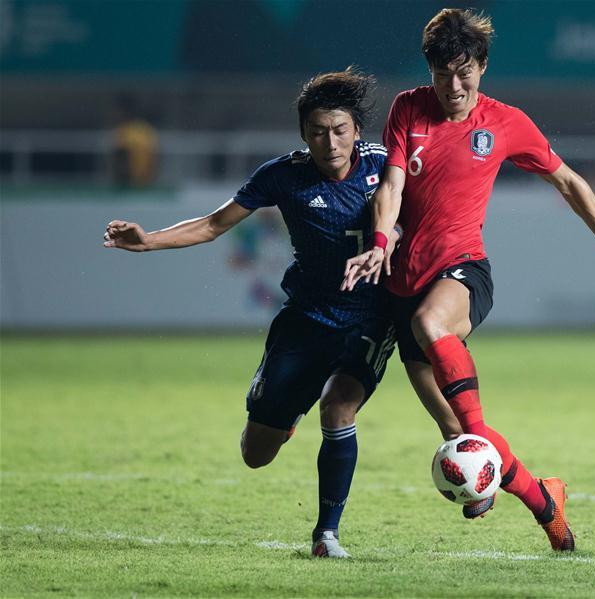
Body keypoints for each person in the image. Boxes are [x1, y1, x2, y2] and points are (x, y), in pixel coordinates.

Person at [343, 8, 595, 552]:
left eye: (465, 73)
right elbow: (390, 187)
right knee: (458, 438)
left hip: (463, 272)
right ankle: (547, 504)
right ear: (430, 71)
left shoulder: (506, 122)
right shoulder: (409, 108)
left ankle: (483, 440)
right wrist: (382, 244)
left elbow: (569, 182)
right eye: (442, 74)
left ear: (482, 66)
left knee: (435, 327)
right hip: (402, 285)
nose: (454, 86)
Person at [103, 69, 405, 559]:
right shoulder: (282, 175)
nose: (330, 142)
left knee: (338, 407)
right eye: (318, 131)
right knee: (255, 454)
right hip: (306, 319)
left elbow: (409, 219)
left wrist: (388, 240)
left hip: (370, 316)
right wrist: (149, 240)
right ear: (304, 134)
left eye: (340, 130)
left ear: (356, 130)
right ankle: (282, 416)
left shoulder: (385, 166)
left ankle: (326, 535)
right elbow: (212, 225)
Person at [111, 95, 159, 188]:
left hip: (130, 183)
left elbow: (120, 159)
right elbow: (155, 159)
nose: (115, 114)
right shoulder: (146, 129)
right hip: (146, 182)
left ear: (124, 111)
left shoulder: (123, 132)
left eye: (117, 111)